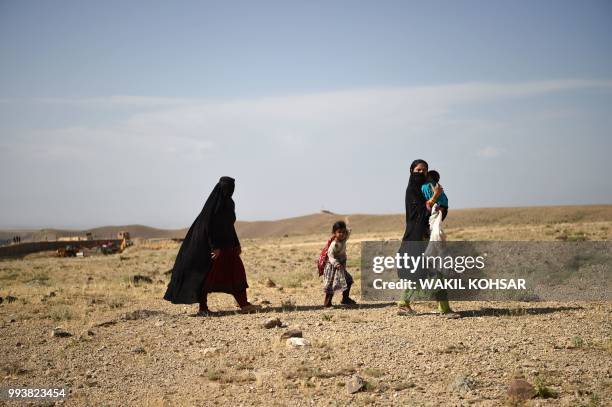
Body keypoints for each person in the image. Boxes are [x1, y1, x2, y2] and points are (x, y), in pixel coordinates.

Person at [163, 176, 259, 315]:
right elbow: (207, 227)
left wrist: (237, 244)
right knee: (206, 277)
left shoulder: (229, 203)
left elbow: (229, 226)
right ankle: (203, 308)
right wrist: (214, 247)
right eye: (227, 187)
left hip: (229, 247)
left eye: (232, 187)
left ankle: (243, 303)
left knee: (236, 273)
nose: (230, 190)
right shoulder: (215, 204)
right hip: (214, 249)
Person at [397, 159, 458, 317]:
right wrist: (434, 198)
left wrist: (439, 206)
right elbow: (417, 214)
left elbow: (436, 212)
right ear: (411, 171)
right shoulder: (411, 191)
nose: (420, 173)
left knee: (435, 270)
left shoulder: (428, 188)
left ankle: (406, 304)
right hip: (416, 237)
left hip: (428, 235)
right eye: (417, 170)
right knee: (423, 271)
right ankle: (441, 309)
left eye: (423, 170)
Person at [321, 221, 356, 307]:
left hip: (340, 266)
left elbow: (349, 231)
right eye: (339, 232)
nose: (342, 234)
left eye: (343, 232)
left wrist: (345, 224)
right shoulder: (334, 244)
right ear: (334, 233)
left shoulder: (344, 239)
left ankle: (345, 298)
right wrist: (336, 263)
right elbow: (330, 255)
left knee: (348, 280)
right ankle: (327, 303)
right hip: (333, 267)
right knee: (331, 285)